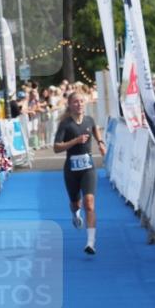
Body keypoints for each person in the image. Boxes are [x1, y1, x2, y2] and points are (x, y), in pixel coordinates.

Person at [53, 91, 106, 255]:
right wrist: (75, 141)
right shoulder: (65, 124)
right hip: (71, 169)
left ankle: (90, 242)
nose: (79, 104)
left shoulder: (89, 120)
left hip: (88, 168)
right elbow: (56, 147)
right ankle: (75, 214)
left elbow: (95, 129)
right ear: (70, 105)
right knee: (76, 203)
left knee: (89, 203)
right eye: (76, 102)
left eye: (82, 101)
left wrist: (100, 142)